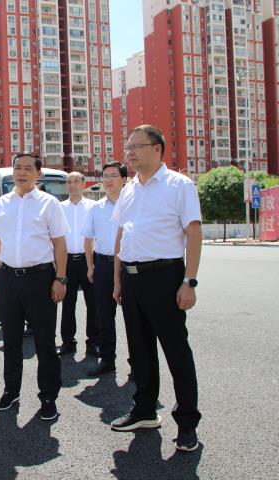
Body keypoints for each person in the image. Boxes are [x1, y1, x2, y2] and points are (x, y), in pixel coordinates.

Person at [109, 125, 202, 453]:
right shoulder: (129, 189)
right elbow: (121, 234)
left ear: (157, 149)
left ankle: (187, 422)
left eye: (137, 146)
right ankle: (145, 410)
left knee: (176, 350)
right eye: (128, 147)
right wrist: (118, 279)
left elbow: (193, 231)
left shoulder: (179, 185)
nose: (130, 153)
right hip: (131, 278)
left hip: (165, 276)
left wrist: (189, 281)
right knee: (140, 350)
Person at [0, 152, 70, 421]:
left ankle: (48, 397)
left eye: (28, 168)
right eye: (17, 168)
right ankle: (11, 391)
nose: (21, 172)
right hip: (8, 278)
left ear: (38, 174)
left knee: (45, 342)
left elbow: (59, 243)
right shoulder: (2, 203)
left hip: (40, 279)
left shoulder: (49, 203)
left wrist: (60, 278)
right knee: (10, 341)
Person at [82, 162, 129, 376]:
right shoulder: (96, 207)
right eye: (105, 176)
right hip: (102, 265)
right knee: (103, 315)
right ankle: (107, 359)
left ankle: (137, 364)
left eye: (113, 175)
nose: (108, 180)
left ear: (124, 179)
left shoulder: (132, 204)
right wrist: (90, 266)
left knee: (133, 317)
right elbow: (88, 238)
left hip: (128, 266)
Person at [57, 172, 96, 356]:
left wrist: (92, 264)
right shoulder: (59, 208)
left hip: (89, 261)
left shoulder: (93, 207)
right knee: (67, 303)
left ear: (83, 184)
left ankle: (93, 342)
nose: (72, 185)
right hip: (66, 261)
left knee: (93, 303)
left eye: (75, 181)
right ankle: (68, 341)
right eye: (69, 182)